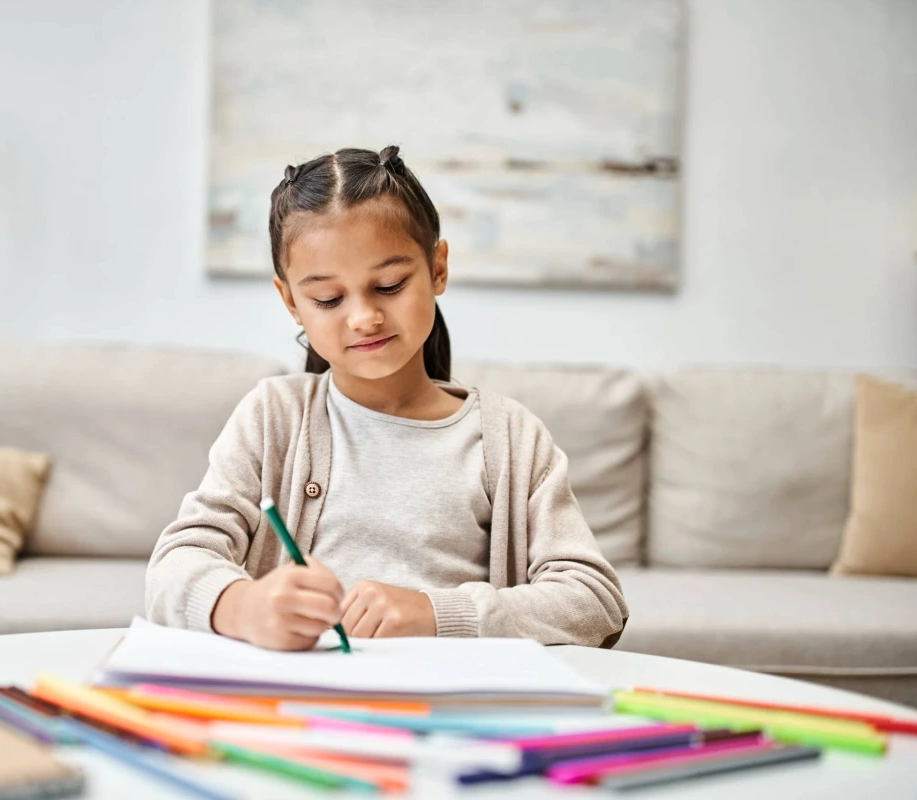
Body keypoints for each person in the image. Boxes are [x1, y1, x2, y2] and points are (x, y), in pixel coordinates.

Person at [146, 145, 628, 651]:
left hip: (449, 709)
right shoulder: (273, 418)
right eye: (328, 299)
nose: (364, 318)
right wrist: (244, 607)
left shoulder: (508, 437)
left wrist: (438, 614)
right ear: (291, 301)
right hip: (302, 704)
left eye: (390, 285)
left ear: (437, 267)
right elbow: (174, 564)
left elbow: (594, 602)